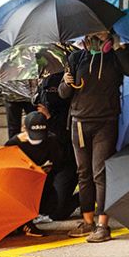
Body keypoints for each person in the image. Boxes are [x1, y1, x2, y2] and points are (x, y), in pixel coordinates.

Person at [59, 31, 129, 243]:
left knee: (100, 173)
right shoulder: (76, 58)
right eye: (92, 32)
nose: (96, 35)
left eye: (101, 31)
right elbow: (63, 93)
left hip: (106, 122)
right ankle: (88, 222)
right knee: (83, 173)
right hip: (79, 122)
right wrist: (66, 82)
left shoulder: (114, 56)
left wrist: (118, 47)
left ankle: (103, 225)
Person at [5, 112, 63, 238]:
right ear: (24, 129)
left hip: (43, 182)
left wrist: (48, 168)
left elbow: (59, 163)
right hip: (19, 185)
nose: (37, 140)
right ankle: (23, 222)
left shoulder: (52, 141)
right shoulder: (13, 144)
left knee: (54, 207)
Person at [35, 72, 80, 221]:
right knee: (41, 207)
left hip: (68, 162)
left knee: (57, 213)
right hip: (49, 163)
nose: (49, 95)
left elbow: (65, 136)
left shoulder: (70, 110)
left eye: (52, 91)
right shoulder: (41, 106)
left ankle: (87, 196)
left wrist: (49, 118)